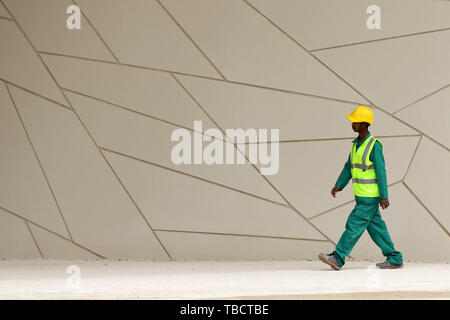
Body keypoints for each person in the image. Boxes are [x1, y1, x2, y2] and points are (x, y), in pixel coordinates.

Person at [318, 106, 403, 270]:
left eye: (355, 121)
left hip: (370, 198)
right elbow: (349, 167)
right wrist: (339, 185)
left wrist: (384, 196)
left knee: (353, 224)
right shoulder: (355, 145)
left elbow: (381, 172)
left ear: (364, 124)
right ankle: (394, 257)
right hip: (361, 196)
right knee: (376, 228)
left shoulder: (374, 145)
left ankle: (338, 257)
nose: (352, 124)